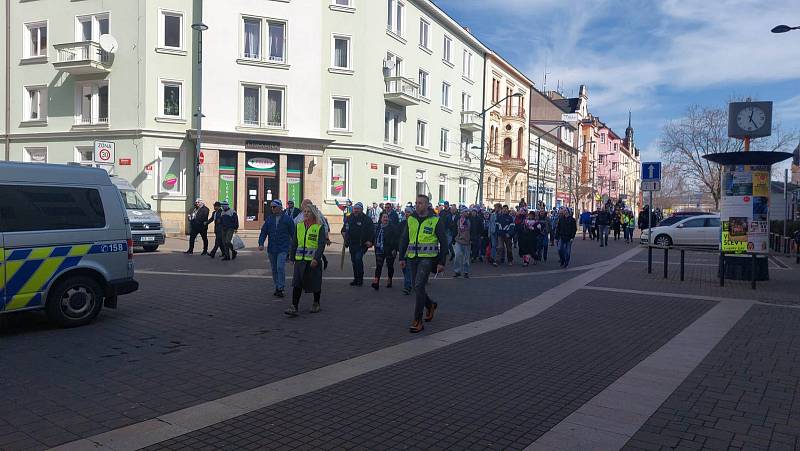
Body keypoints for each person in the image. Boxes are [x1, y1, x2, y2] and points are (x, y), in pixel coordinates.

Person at [399, 194, 447, 333]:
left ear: (427, 205)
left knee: (419, 285)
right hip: (412, 258)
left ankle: (417, 320)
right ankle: (430, 305)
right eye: (416, 203)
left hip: (428, 258)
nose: (417, 205)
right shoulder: (411, 219)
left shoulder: (435, 220)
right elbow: (404, 238)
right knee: (416, 287)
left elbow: (443, 243)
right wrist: (401, 257)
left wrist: (442, 262)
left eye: (420, 203)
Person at [285, 204, 327, 317]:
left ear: (313, 213)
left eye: (309, 212)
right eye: (305, 212)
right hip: (300, 261)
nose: (306, 213)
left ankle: (316, 303)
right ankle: (294, 306)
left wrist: (316, 259)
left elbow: (321, 245)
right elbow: (294, 242)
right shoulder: (299, 226)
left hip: (313, 261)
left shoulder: (319, 227)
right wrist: (291, 256)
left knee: (315, 283)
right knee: (297, 283)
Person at [258, 200, 295, 298]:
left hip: (283, 248)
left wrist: (293, 248)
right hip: (272, 249)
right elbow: (263, 232)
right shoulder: (269, 219)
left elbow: (293, 234)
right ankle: (277, 286)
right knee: (274, 269)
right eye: (271, 207)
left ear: (280, 207)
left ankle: (281, 287)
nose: (272, 209)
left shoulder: (287, 219)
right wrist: (261, 243)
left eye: (274, 207)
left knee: (280, 267)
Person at [341, 202, 374, 286]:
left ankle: (360, 279)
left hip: (362, 244)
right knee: (353, 261)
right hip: (352, 244)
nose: (355, 210)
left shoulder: (367, 219)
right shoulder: (349, 218)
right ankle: (356, 278)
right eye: (355, 209)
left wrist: (370, 241)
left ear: (361, 209)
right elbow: (344, 229)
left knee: (358, 259)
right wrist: (344, 233)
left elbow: (372, 232)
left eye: (358, 209)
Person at [372, 212, 400, 290]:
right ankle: (376, 282)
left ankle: (389, 280)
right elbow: (374, 236)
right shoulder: (377, 227)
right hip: (379, 249)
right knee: (378, 266)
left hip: (389, 250)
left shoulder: (392, 227)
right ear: (381, 219)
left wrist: (395, 248)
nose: (385, 218)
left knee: (390, 266)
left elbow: (396, 239)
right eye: (384, 217)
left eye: (386, 217)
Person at [453, 205, 471, 278]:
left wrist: (472, 239)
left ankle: (466, 272)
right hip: (458, 240)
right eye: (465, 211)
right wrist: (453, 239)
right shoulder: (458, 220)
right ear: (462, 212)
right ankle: (457, 271)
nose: (467, 213)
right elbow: (454, 229)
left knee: (466, 258)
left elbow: (474, 230)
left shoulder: (470, 220)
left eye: (467, 211)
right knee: (457, 255)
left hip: (467, 241)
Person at [401, 205, 415, 294]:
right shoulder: (402, 223)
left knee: (409, 268)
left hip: (412, 249)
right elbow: (399, 237)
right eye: (406, 212)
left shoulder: (415, 223)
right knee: (404, 268)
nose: (407, 214)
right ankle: (410, 282)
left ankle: (407, 286)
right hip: (403, 249)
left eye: (409, 212)